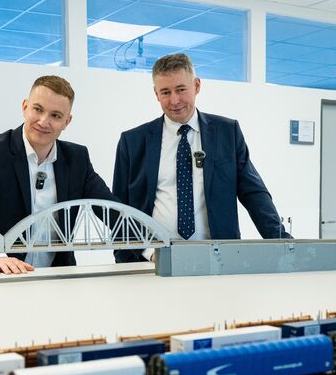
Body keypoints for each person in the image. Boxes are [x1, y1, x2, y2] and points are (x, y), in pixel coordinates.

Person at [112, 52, 290, 262]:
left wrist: (283, 242)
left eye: (181, 89)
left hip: (218, 258)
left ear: (196, 86)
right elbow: (120, 208)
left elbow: (253, 193)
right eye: (165, 92)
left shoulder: (227, 132)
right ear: (156, 94)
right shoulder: (133, 142)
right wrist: (148, 253)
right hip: (153, 260)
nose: (174, 100)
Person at [0, 75, 113, 274]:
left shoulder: (77, 158)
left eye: (55, 115)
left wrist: (149, 250)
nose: (43, 121)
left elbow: (111, 209)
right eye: (38, 109)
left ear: (67, 121)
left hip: (56, 280)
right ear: (25, 107)